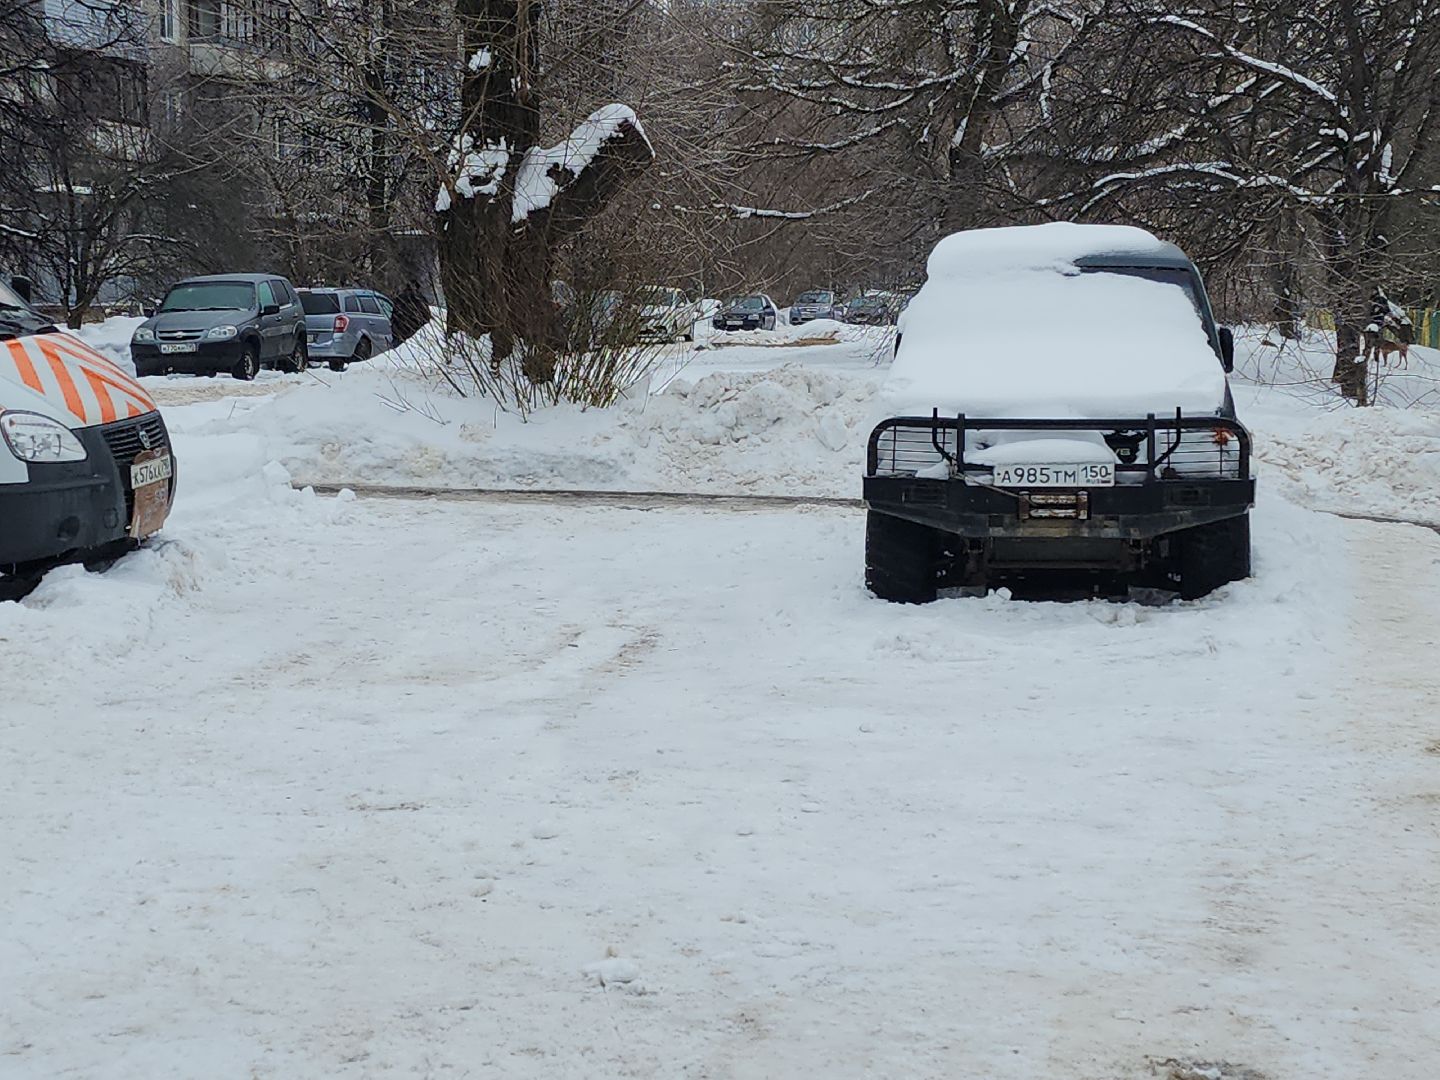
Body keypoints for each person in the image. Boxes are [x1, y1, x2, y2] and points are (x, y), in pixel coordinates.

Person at [390, 281, 430, 345]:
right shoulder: (420, 299)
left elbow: (394, 314)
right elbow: (426, 315)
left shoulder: (400, 297)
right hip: (414, 331)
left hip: (400, 330)